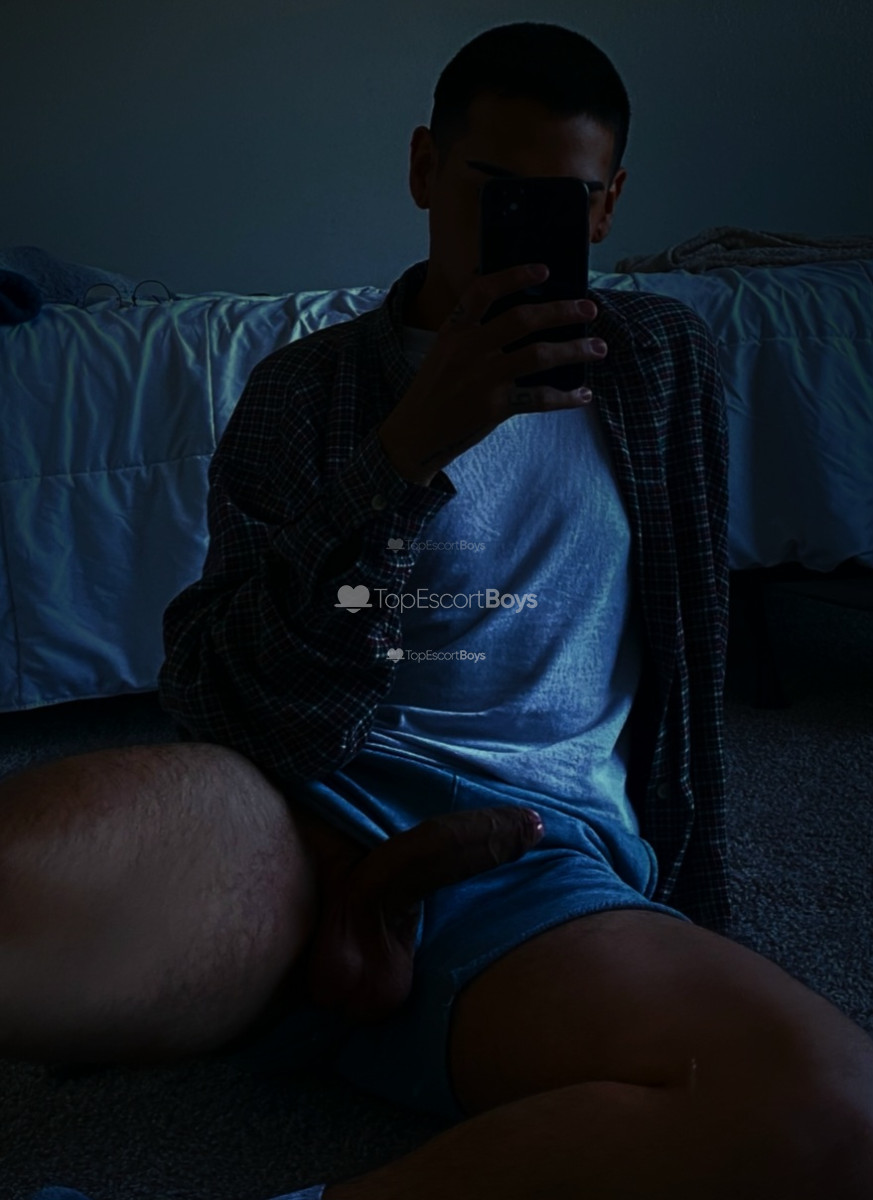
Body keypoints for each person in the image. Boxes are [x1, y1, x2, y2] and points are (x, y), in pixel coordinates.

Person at [9, 21, 873, 1200]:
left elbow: (685, 661)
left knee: (832, 1116)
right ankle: (307, 956)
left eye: (562, 203)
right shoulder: (305, 390)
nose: (521, 232)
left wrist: (680, 899)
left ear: (609, 208)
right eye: (492, 194)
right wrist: (406, 453)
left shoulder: (663, 363)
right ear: (423, 167)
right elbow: (221, 694)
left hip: (533, 860)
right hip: (294, 819)